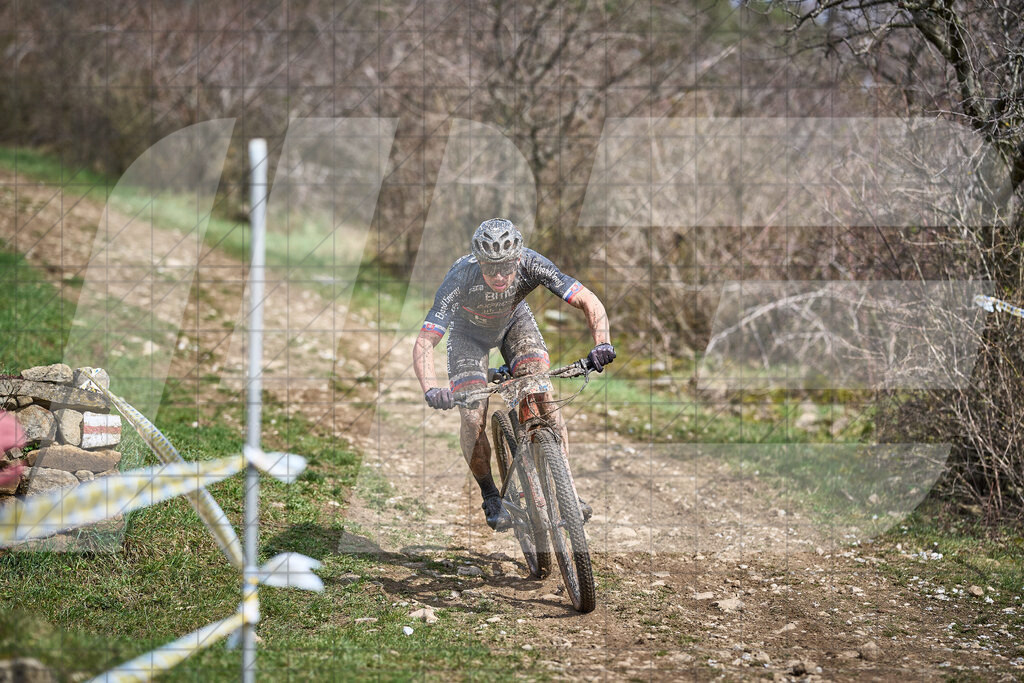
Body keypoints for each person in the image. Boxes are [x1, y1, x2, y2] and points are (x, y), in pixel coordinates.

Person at [413, 218, 615, 530]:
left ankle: (568, 493)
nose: (499, 275)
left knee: (543, 396)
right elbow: (426, 341)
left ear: (518, 258)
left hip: (514, 323)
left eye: (506, 266)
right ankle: (491, 495)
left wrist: (602, 344)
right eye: (490, 267)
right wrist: (431, 388)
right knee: (471, 417)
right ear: (478, 261)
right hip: (468, 337)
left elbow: (589, 300)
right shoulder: (460, 276)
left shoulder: (533, 264)